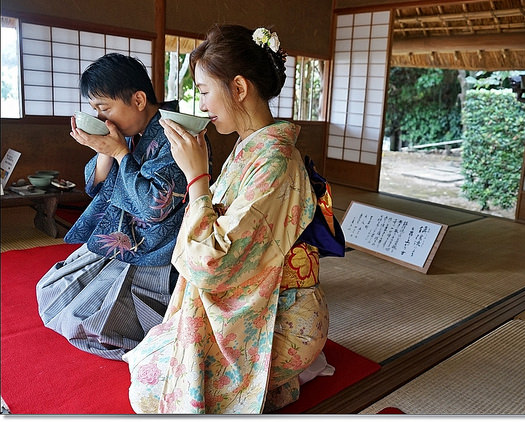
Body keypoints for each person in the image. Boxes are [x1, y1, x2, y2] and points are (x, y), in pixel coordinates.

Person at [123, 25, 336, 414]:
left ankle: (281, 370)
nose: (202, 105)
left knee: (151, 391)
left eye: (204, 91)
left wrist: (197, 177)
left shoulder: (273, 160)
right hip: (251, 296)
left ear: (238, 88)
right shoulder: (251, 145)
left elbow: (213, 264)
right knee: (149, 361)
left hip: (283, 313)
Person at [35, 53, 188, 361]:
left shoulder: (175, 135)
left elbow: (153, 208)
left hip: (155, 250)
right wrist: (103, 148)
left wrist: (119, 152)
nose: (103, 118)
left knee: (89, 324)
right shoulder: (132, 131)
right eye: (95, 110)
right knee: (49, 292)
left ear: (139, 99)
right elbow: (94, 184)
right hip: (121, 236)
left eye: (105, 109)